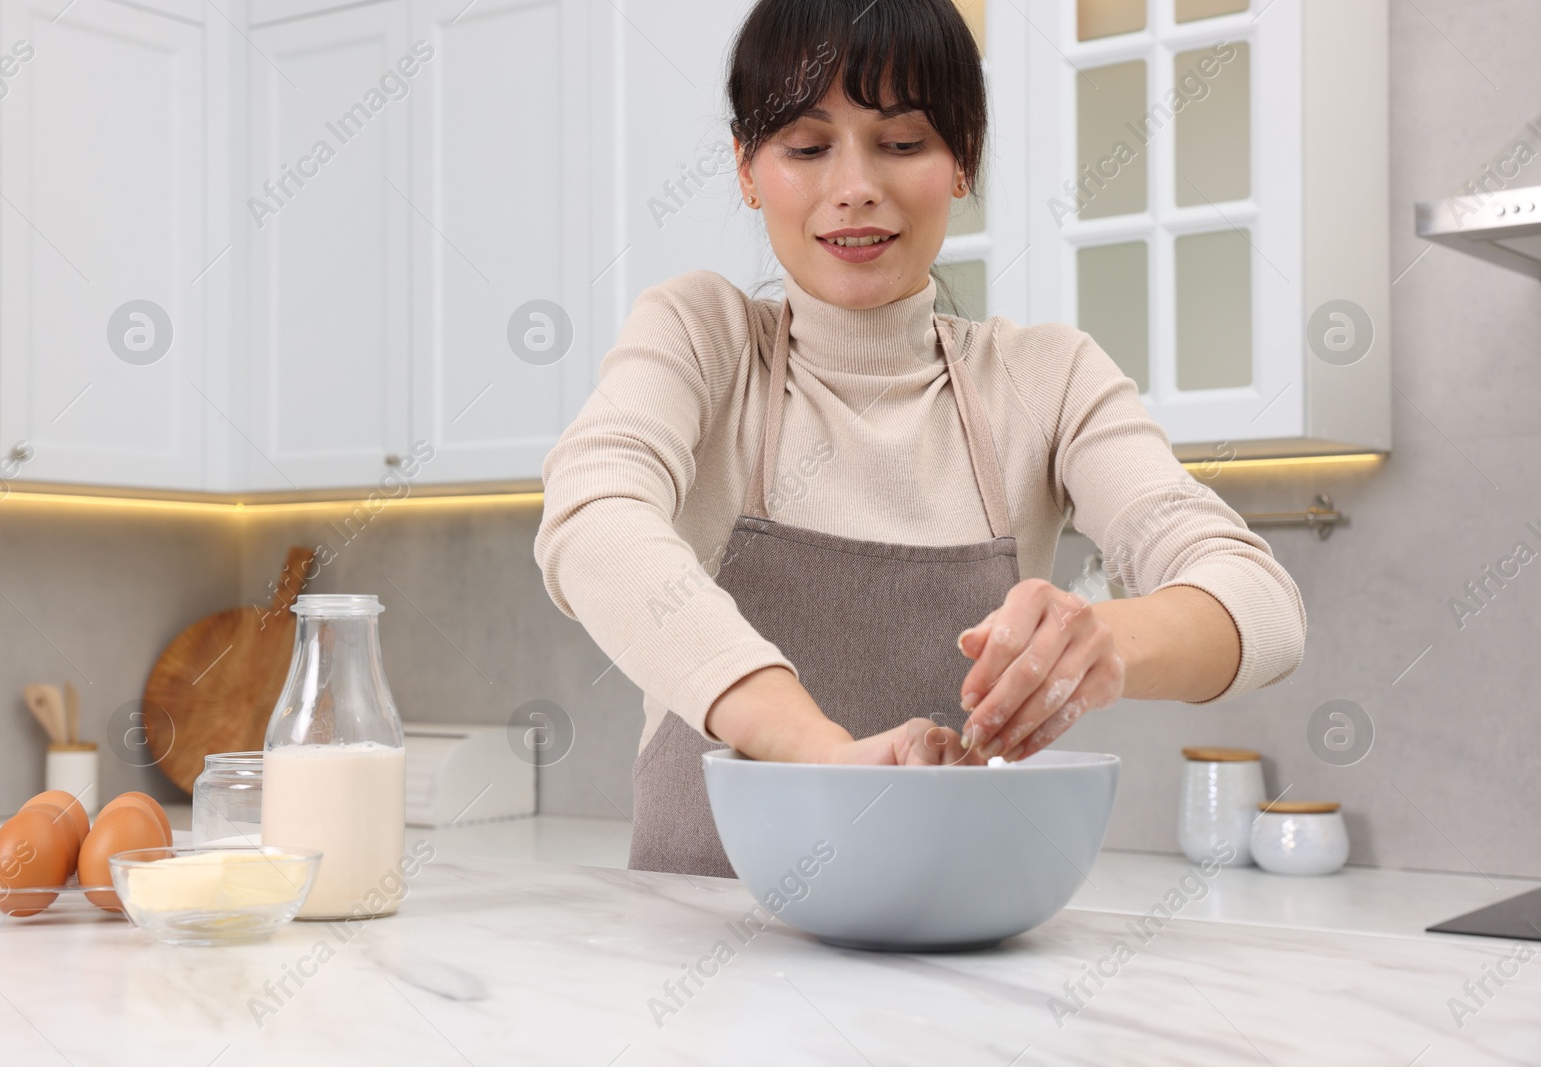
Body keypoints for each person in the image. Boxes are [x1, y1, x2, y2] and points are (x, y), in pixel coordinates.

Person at [534, 0, 1306, 877]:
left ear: (961, 161)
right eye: (806, 146)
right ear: (748, 169)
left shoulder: (1046, 378)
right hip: (701, 952)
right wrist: (818, 752)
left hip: (954, 964)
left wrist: (1101, 639)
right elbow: (590, 515)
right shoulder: (702, 339)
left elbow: (1265, 606)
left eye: (903, 143)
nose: (856, 184)